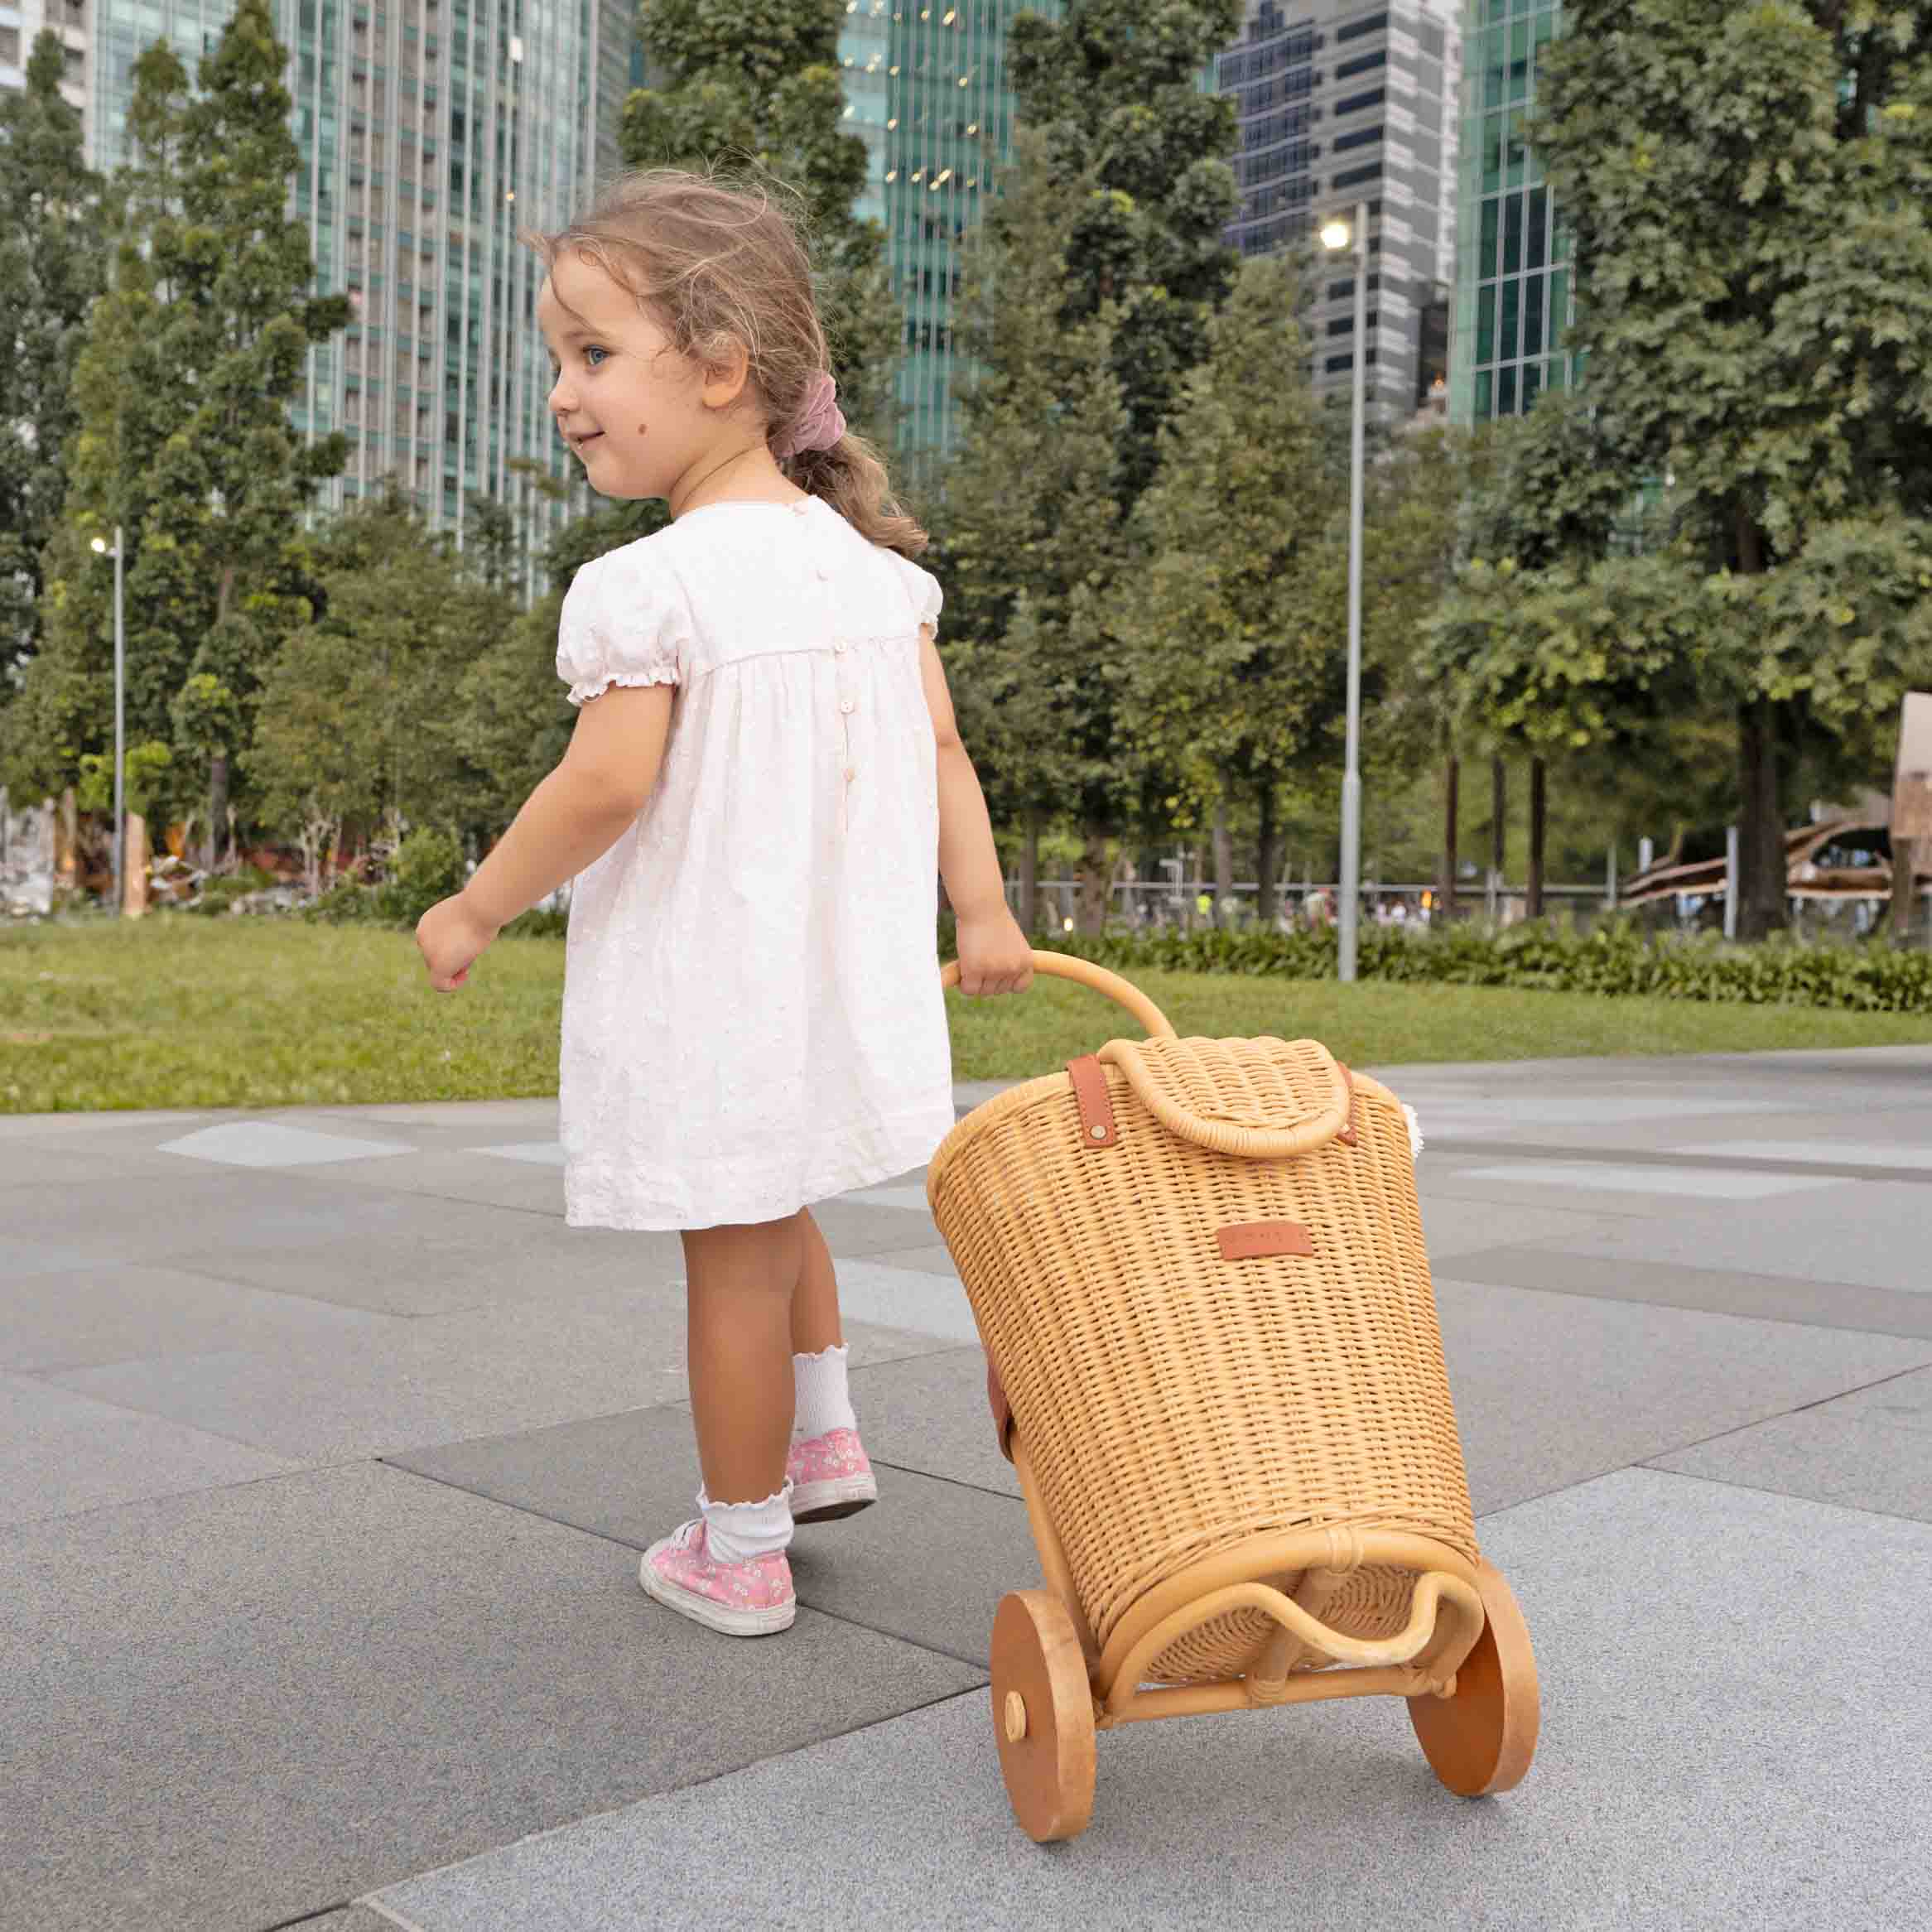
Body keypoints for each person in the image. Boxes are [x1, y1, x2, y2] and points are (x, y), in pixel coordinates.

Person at [412, 168, 1032, 1638]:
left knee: (732, 1265)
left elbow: (606, 785)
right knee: (784, 1204)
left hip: (719, 984)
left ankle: (740, 1545)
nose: (564, 394)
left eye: (592, 355)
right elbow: (946, 753)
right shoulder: (875, 577)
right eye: (559, 359)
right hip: (830, 985)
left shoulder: (651, 587)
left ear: (720, 367)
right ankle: (818, 1442)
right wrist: (984, 913)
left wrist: (478, 904)